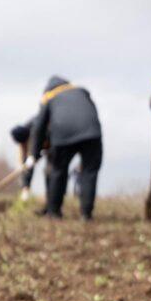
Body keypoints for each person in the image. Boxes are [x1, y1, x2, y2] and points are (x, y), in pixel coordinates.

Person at [26, 75, 102, 220]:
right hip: (92, 131)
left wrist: (33, 154)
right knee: (89, 172)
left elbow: (39, 127)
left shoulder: (49, 96)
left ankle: (54, 212)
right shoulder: (81, 90)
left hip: (63, 133)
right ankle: (86, 214)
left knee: (58, 171)